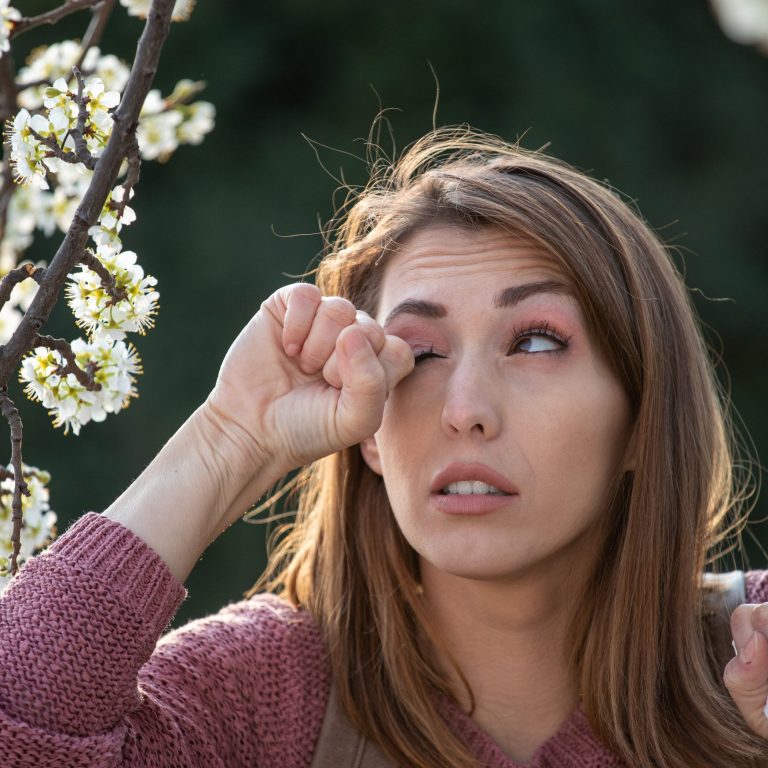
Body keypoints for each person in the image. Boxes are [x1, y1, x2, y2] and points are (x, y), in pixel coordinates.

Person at [1, 126, 767, 768]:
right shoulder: (265, 699)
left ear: (641, 414)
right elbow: (21, 724)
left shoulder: (751, 656)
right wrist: (226, 439)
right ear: (368, 428)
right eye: (420, 354)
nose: (465, 411)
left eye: (535, 342)